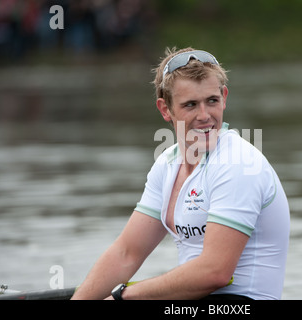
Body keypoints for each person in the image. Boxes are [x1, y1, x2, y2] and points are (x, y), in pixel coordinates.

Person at [71, 47, 290, 300]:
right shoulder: (167, 164)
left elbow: (215, 272)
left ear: (224, 97)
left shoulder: (238, 163)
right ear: (165, 110)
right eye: (190, 105)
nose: (205, 116)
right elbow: (126, 253)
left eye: (212, 101)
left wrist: (123, 296)